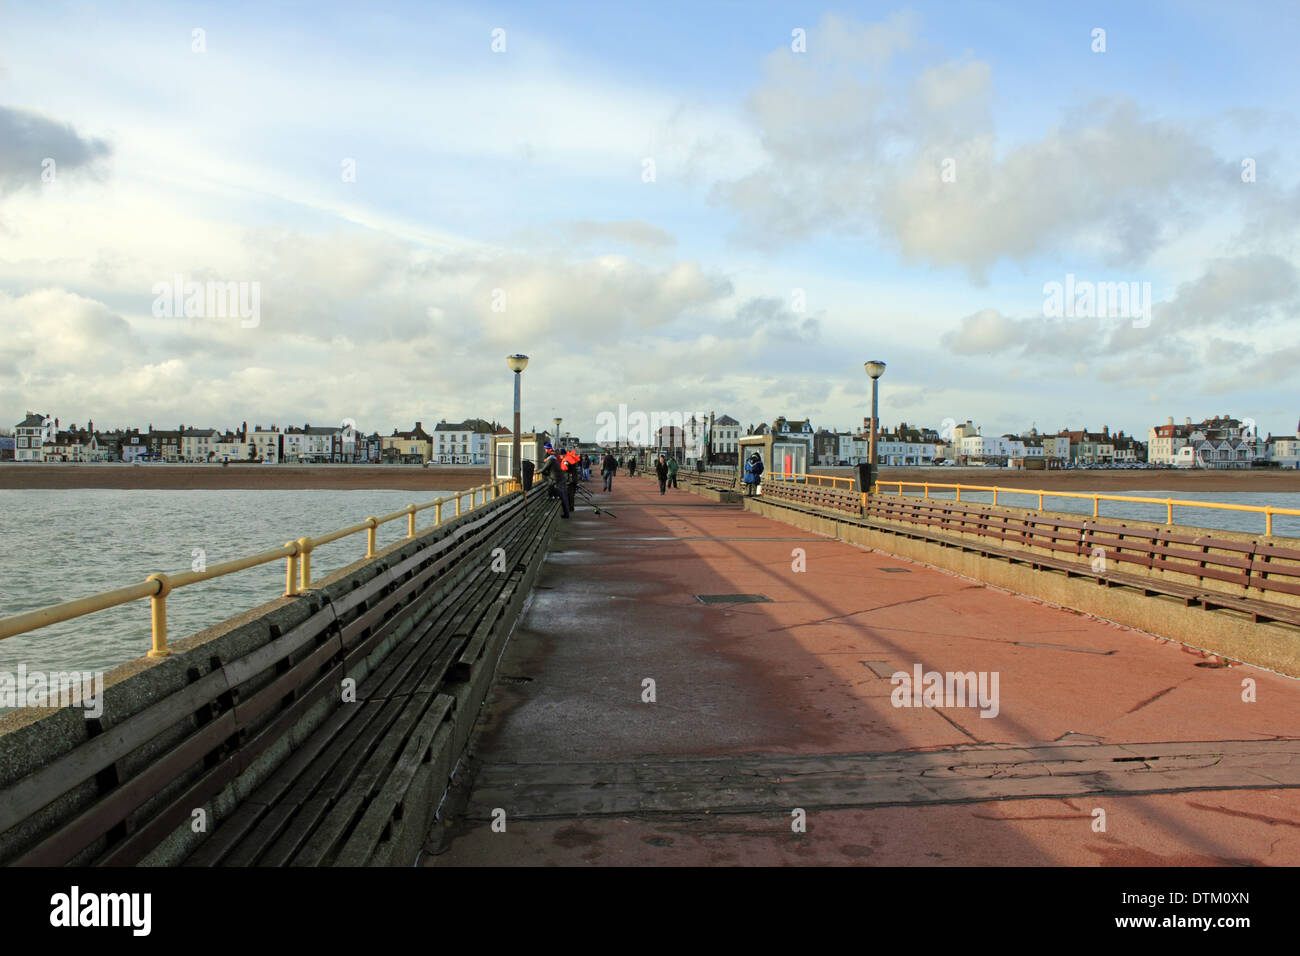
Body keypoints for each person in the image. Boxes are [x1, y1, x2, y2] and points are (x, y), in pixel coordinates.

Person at [540, 443, 569, 518]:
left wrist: (537, 471)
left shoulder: (552, 457)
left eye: (547, 449)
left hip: (558, 478)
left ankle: (567, 513)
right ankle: (566, 513)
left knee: (563, 496)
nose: (546, 450)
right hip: (559, 477)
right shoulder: (554, 456)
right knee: (563, 496)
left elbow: (545, 467)